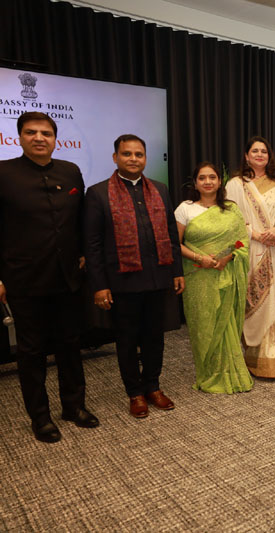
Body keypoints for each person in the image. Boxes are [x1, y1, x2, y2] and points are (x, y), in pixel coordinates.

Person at [0, 112, 98, 443]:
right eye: (31, 132)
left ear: (55, 138)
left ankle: (74, 406)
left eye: (46, 133)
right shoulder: (4, 173)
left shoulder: (70, 171)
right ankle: (40, 417)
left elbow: (80, 220)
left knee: (70, 345)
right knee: (32, 352)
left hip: (68, 278)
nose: (39, 138)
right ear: (19, 137)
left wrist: (84, 253)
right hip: (24, 279)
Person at [84, 134, 184, 418]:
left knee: (155, 337)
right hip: (122, 282)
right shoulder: (98, 193)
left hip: (157, 278)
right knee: (127, 340)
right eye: (127, 154)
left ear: (145, 159)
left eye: (139, 154)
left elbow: (171, 234)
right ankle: (135, 393)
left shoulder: (160, 189)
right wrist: (99, 286)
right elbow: (92, 245)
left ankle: (153, 386)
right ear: (115, 157)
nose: (133, 159)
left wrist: (176, 271)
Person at [225, 136, 275, 378]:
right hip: (249, 250)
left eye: (264, 151)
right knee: (253, 300)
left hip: (274, 249)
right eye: (255, 151)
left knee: (274, 300)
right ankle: (253, 356)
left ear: (269, 157)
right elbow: (231, 217)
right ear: (246, 156)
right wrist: (256, 234)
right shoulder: (236, 185)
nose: (260, 155)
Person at [175, 162, 253, 394]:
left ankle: (231, 371)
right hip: (198, 277)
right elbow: (175, 244)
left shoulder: (231, 209)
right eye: (202, 178)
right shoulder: (185, 209)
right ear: (195, 183)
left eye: (212, 177)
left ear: (220, 182)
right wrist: (200, 258)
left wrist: (227, 258)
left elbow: (242, 241)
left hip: (226, 274)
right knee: (204, 324)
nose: (207, 182)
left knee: (226, 323)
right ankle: (208, 372)